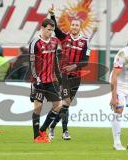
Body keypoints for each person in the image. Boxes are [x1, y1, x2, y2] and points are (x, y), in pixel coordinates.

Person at [48, 5, 90, 140]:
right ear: (70, 26)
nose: (74, 27)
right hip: (64, 75)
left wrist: (75, 66)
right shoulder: (64, 37)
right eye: (73, 25)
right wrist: (52, 15)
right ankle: (65, 131)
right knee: (65, 101)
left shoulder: (85, 42)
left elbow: (86, 61)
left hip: (76, 77)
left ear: (80, 27)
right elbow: (54, 27)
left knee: (65, 105)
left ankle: (52, 126)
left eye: (77, 25)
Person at [29, 18, 63, 143]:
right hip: (38, 80)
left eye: (52, 30)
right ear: (42, 28)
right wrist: (36, 79)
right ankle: (36, 136)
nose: (51, 32)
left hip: (50, 80)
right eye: (49, 30)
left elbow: (55, 62)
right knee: (38, 106)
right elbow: (31, 63)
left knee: (58, 105)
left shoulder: (54, 42)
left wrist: (59, 79)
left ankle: (42, 131)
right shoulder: (35, 43)